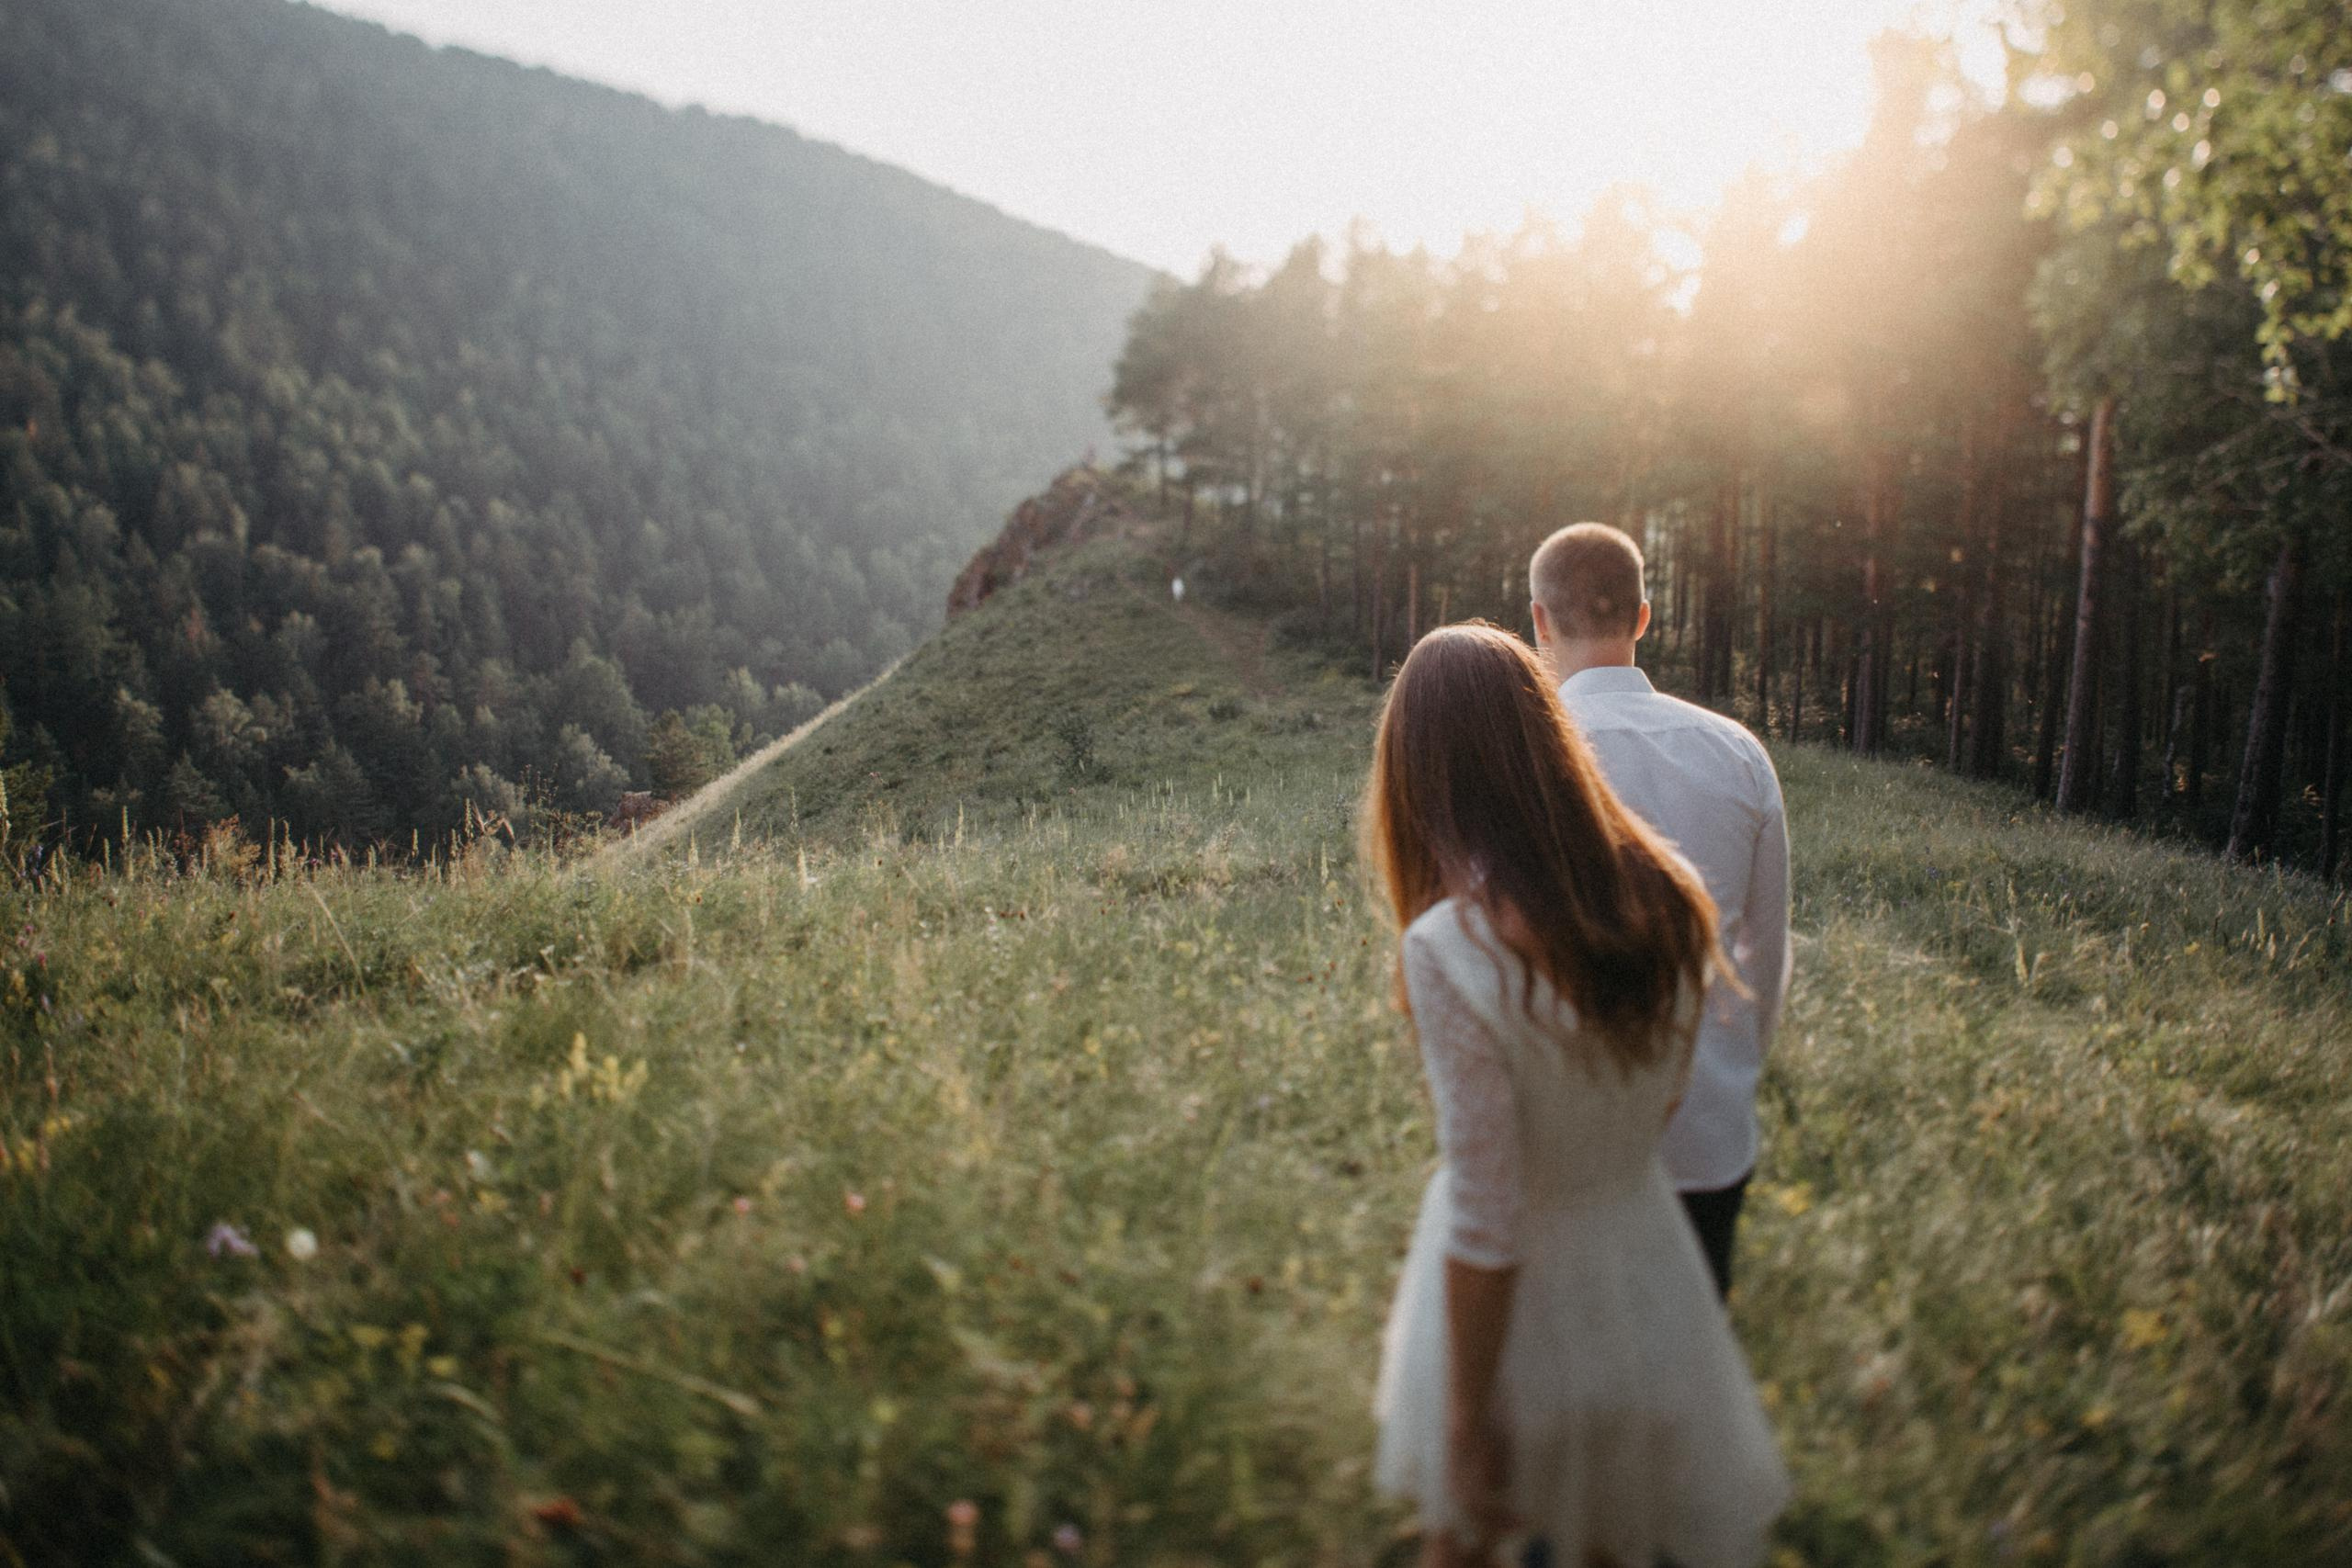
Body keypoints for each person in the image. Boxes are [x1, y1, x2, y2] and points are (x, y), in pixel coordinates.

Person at [1365, 624, 1790, 1567]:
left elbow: (1486, 1211)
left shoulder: (1448, 949)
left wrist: (1470, 1416)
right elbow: (1670, 1100)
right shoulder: (1673, 899)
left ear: (1420, 775)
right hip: (1643, 1271)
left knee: (1462, 1544)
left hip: (1506, 1313)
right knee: (1613, 1541)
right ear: (1547, 737)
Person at [1528, 523, 1791, 1300]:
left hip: (1562, 1128)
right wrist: (1731, 1069)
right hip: (1707, 1133)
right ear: (1645, 616)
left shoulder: (1525, 756)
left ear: (1539, 620)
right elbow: (1763, 952)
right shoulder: (1739, 752)